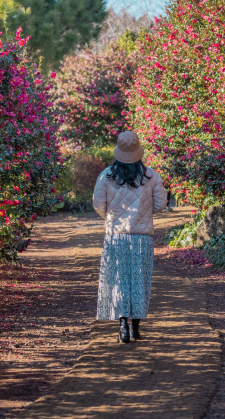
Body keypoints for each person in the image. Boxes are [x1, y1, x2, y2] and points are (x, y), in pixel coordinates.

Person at [92, 131, 168, 343]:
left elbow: (98, 205)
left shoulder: (105, 176)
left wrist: (111, 217)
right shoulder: (151, 175)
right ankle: (136, 328)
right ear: (138, 151)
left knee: (118, 280)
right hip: (142, 237)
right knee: (139, 280)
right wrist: (143, 213)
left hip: (116, 237)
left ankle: (122, 325)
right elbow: (161, 204)